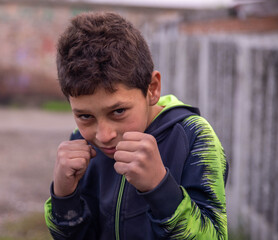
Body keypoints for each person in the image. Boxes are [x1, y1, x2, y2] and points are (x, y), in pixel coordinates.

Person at [44, 12, 228, 240]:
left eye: (118, 111)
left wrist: (160, 188)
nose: (104, 135)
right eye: (85, 116)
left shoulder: (195, 138)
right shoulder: (81, 143)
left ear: (152, 88)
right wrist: (63, 197)